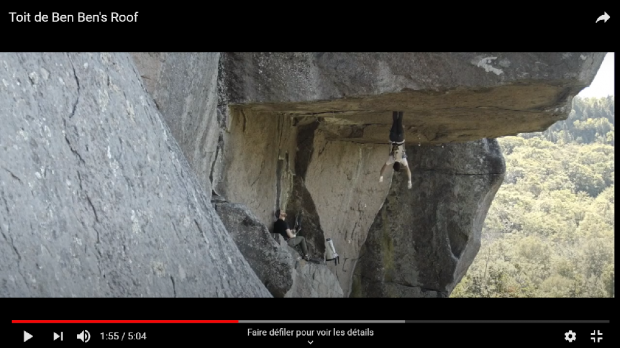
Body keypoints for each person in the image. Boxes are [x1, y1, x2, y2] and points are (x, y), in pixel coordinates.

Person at [379, 111, 412, 189]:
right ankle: (394, 109)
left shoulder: (403, 160)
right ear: (393, 165)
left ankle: (400, 109)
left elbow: (408, 171)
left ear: (400, 165)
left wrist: (409, 181)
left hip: (400, 139)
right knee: (394, 121)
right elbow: (383, 168)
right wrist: (381, 176)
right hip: (393, 139)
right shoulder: (391, 159)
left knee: (399, 121)